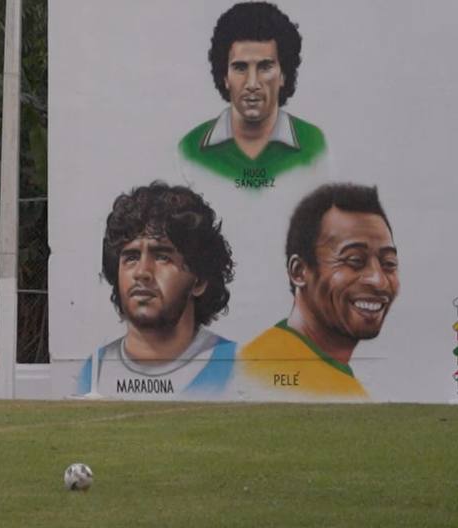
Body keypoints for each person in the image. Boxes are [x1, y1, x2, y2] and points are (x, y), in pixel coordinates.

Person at [239, 183, 398, 398]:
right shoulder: (266, 372)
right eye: (355, 260)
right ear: (299, 271)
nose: (379, 281)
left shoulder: (333, 377)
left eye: (389, 263)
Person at [79, 183, 237, 398]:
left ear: (199, 280)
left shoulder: (236, 367)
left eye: (162, 257)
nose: (142, 272)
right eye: (131, 257)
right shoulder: (94, 372)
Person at [178, 2, 326, 186]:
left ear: (283, 75)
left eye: (265, 67)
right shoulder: (190, 150)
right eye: (240, 68)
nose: (252, 84)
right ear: (225, 77)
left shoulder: (315, 145)